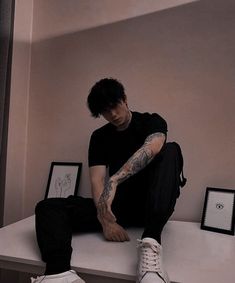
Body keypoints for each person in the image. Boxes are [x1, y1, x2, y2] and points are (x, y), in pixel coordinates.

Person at [31, 78, 186, 283]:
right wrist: (105, 220)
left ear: (124, 99)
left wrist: (114, 180)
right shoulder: (99, 137)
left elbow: (154, 147)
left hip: (152, 206)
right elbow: (97, 180)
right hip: (118, 209)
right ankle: (58, 274)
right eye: (105, 111)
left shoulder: (151, 121)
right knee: (48, 207)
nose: (112, 115)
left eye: (114, 106)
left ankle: (151, 243)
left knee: (171, 149)